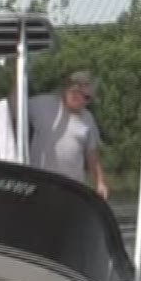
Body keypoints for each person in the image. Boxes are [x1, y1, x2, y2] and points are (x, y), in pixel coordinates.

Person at [27, 70, 109, 199]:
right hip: (40, 184)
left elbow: (92, 154)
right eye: (76, 93)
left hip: (71, 188)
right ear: (68, 89)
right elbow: (14, 109)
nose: (83, 101)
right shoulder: (41, 104)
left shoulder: (88, 118)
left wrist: (100, 182)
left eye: (88, 98)